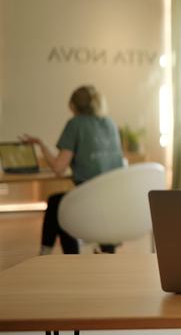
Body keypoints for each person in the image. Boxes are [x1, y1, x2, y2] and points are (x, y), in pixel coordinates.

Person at [22, 85, 124, 255]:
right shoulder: (110, 123)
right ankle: (106, 249)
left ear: (72, 106)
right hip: (113, 200)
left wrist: (40, 144)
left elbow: (58, 168)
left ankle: (48, 254)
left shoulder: (76, 124)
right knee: (61, 203)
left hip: (91, 200)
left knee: (58, 205)